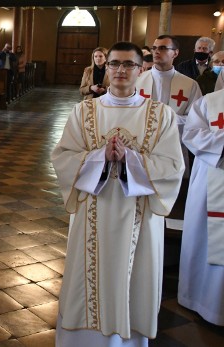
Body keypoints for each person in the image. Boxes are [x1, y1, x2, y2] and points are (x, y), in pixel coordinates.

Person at [52, 41, 185, 346]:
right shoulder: (83, 111)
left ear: (142, 70)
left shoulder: (160, 115)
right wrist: (99, 157)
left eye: (128, 65)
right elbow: (62, 156)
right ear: (106, 67)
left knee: (133, 279)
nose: (120, 70)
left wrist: (130, 160)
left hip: (139, 214)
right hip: (91, 210)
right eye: (114, 64)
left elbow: (172, 167)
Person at [178, 83, 224, 327]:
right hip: (211, 182)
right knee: (206, 240)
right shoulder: (210, 102)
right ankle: (202, 301)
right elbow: (191, 134)